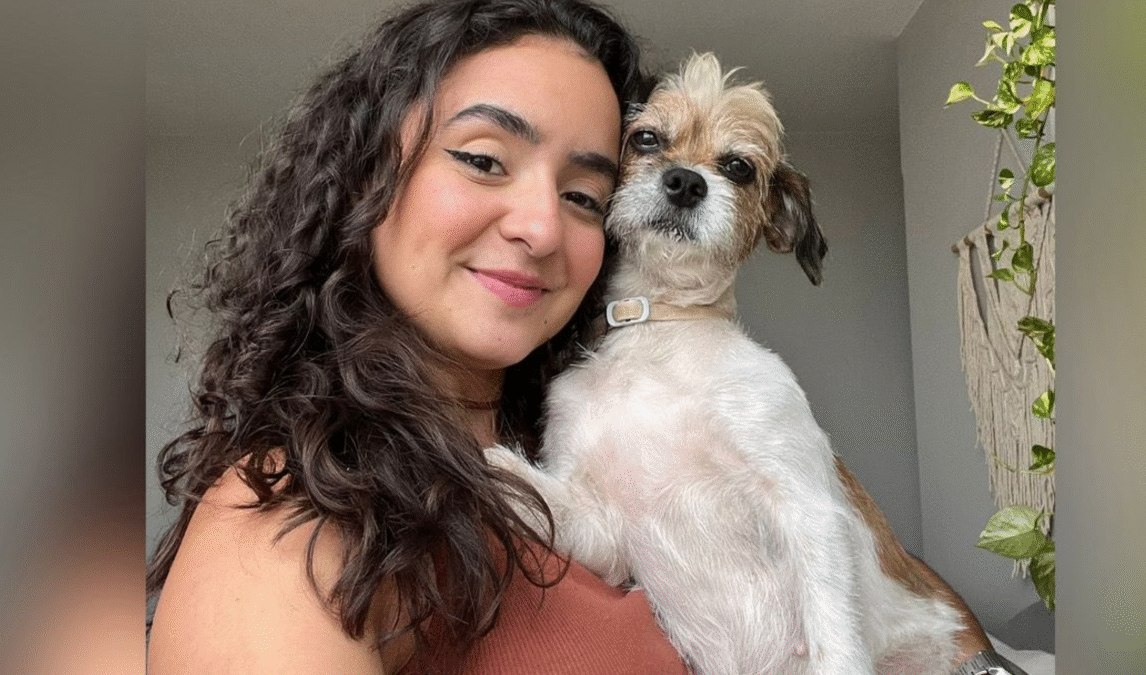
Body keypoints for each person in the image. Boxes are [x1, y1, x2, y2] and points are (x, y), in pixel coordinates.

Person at [146, 1, 1009, 673]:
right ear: (367, 169)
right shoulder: (293, 509)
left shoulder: (554, 434)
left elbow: (848, 559)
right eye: (483, 158)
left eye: (585, 196)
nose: (539, 227)